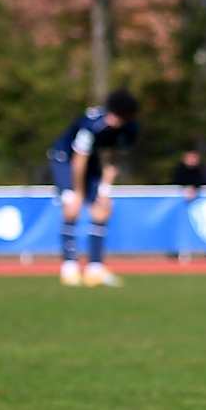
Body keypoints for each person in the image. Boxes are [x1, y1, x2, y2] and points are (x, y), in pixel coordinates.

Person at [47, 89, 140, 287]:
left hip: (93, 162)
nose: (114, 120)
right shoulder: (92, 124)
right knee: (72, 206)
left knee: (103, 209)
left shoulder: (129, 129)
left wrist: (105, 190)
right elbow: (79, 160)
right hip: (65, 159)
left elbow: (113, 158)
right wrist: (78, 192)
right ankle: (69, 268)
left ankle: (94, 268)